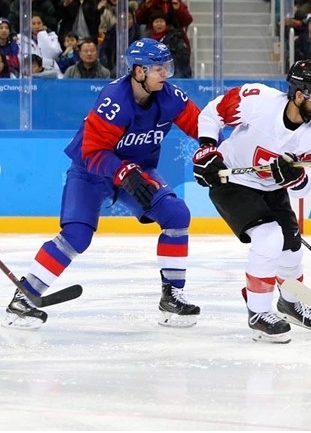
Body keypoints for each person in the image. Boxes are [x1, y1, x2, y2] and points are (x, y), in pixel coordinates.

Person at [4, 38, 202, 330]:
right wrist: (123, 173)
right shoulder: (114, 101)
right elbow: (93, 153)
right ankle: (24, 297)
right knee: (76, 236)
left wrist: (220, 150)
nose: (165, 74)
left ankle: (172, 295)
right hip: (91, 173)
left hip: (135, 171)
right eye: (158, 69)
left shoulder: (170, 97)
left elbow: (203, 128)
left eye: (166, 67)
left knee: (176, 215)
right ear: (138, 71)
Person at [191, 60, 311, 343]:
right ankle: (258, 313)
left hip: (272, 189)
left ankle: (290, 302)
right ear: (298, 94)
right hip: (231, 180)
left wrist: (293, 177)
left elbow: (306, 187)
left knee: (292, 250)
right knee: (268, 237)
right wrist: (207, 149)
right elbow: (212, 114)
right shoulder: (257, 100)